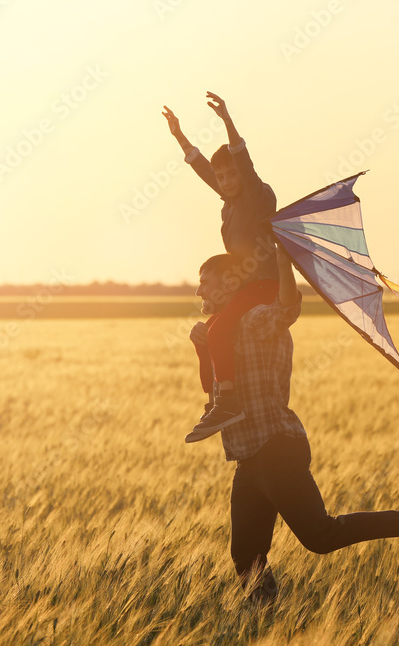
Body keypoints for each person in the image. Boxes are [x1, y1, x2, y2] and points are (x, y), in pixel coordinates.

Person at [191, 246, 399, 604]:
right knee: (246, 554)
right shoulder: (217, 333)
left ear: (229, 282)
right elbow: (216, 400)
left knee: (320, 536)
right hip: (248, 456)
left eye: (205, 283)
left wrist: (285, 263)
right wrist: (201, 349)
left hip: (275, 446)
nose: (199, 292)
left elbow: (286, 308)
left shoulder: (254, 320)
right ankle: (264, 622)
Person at [163, 92, 281, 442]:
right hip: (244, 289)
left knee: (217, 331)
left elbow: (243, 164)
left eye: (232, 176)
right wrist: (179, 136)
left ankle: (229, 402)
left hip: (264, 286)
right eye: (222, 178)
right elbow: (204, 168)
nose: (227, 181)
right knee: (208, 333)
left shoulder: (255, 198)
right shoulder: (229, 202)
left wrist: (227, 122)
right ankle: (215, 399)